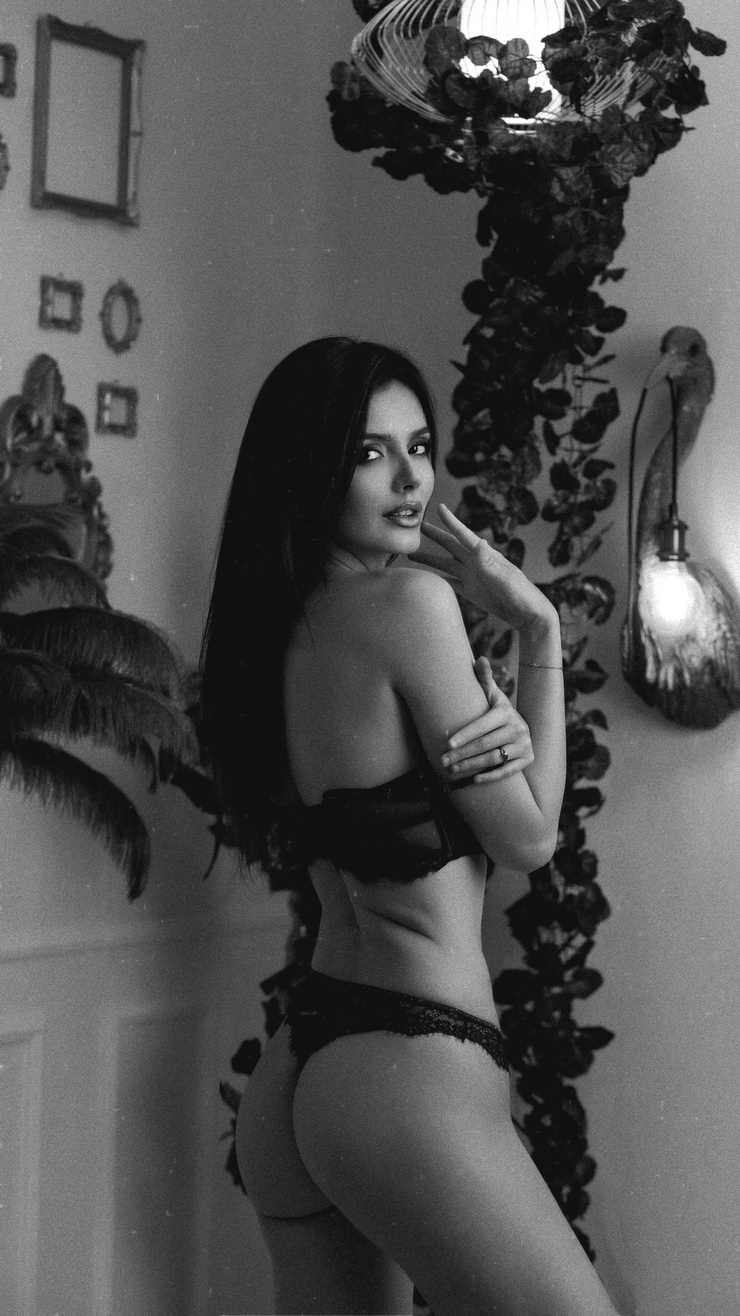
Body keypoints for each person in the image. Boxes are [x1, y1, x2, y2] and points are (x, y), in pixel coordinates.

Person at [200, 337, 618, 1316]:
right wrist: (539, 633)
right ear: (310, 468)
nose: (410, 479)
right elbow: (526, 839)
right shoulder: (410, 603)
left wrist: (506, 736)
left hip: (302, 1069)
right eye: (369, 452)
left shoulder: (279, 626)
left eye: (419, 446)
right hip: (406, 1066)